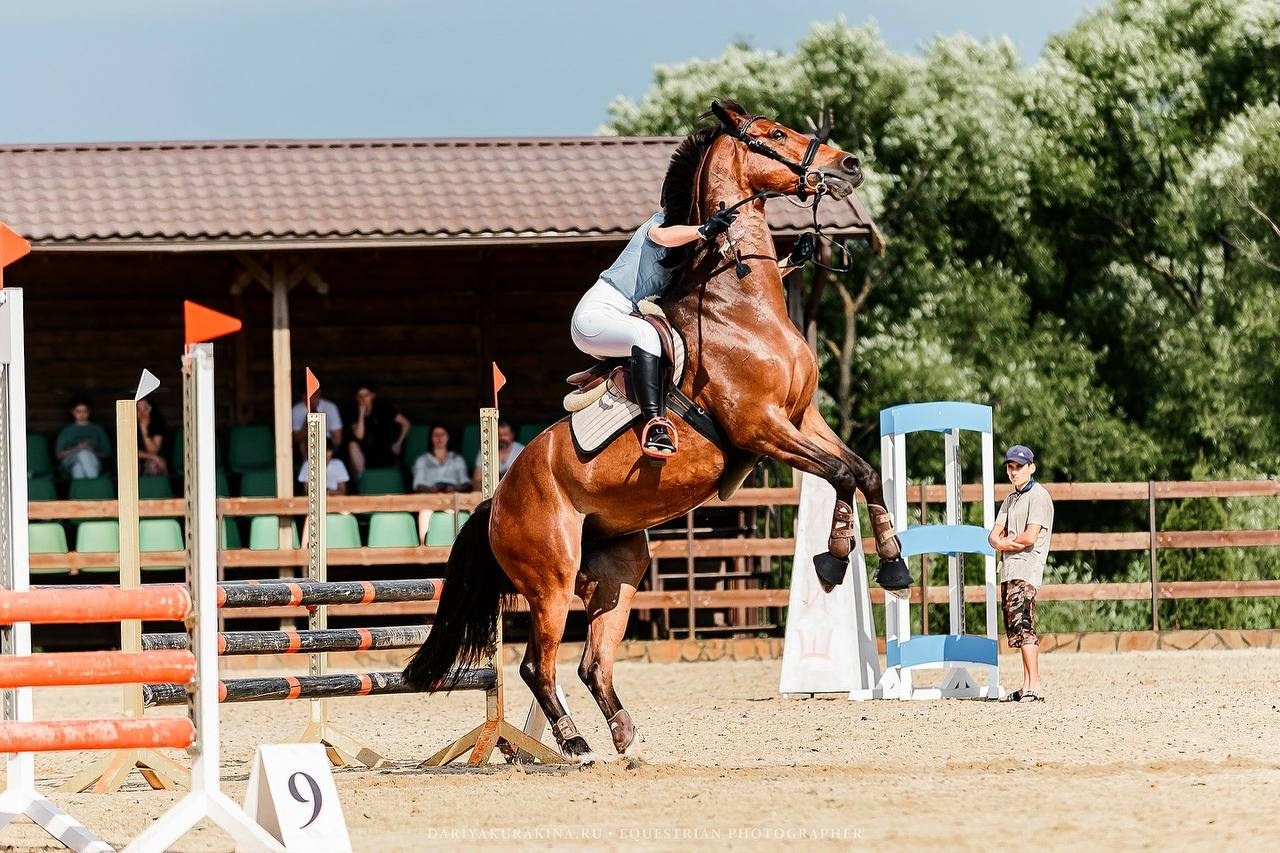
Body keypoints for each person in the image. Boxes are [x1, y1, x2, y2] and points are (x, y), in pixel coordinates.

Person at [569, 204, 739, 458]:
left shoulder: (689, 253)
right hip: (595, 314)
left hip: (623, 318)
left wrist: (790, 263)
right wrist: (703, 229)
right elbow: (664, 236)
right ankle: (655, 424)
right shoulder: (657, 224)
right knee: (645, 334)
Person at [987, 444, 1054, 703]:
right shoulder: (1010, 499)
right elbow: (993, 534)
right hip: (1009, 569)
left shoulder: (1038, 496)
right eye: (1010, 467)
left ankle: (1034, 685)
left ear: (1031, 468)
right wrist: (1003, 541)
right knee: (1015, 626)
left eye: (1019, 467)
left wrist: (1004, 542)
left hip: (1026, 569)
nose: (1014, 472)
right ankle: (1025, 684)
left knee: (1024, 623)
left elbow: (1029, 538)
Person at [345, 381, 411, 479]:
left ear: (373, 396)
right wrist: (361, 414)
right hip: (365, 454)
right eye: (360, 396)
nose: (363, 399)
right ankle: (364, 481)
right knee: (352, 446)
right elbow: (359, 435)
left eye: (366, 395)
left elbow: (406, 424)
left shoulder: (384, 408)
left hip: (385, 451)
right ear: (357, 398)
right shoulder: (353, 412)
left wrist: (398, 443)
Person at [55, 396, 112, 479]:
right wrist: (79, 448)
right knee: (83, 454)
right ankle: (94, 482)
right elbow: (59, 455)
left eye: (85, 411)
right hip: (69, 462)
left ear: (89, 411)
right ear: (73, 412)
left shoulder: (97, 430)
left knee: (78, 468)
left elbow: (106, 454)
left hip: (94, 462)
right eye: (78, 411)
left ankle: (82, 490)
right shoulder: (66, 431)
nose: (82, 415)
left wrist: (91, 450)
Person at [412, 425, 471, 493]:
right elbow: (418, 485)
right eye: (436, 435)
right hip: (429, 496)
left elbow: (465, 483)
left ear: (448, 437)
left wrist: (454, 488)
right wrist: (432, 490)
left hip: (453, 496)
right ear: (431, 438)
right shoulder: (422, 460)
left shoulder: (457, 459)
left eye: (442, 434)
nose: (439, 438)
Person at [470, 420, 523, 489]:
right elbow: (476, 481)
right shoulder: (486, 451)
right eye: (498, 434)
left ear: (512, 435)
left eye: (505, 435)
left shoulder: (521, 450)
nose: (501, 438)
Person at [291, 390, 343, 457]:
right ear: (303, 396)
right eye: (307, 394)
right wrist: (308, 423)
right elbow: (296, 439)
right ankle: (307, 464)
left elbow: (338, 440)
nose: (313, 397)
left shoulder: (330, 407)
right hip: (307, 445)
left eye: (315, 393)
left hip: (326, 442)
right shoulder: (296, 410)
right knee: (303, 442)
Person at [136, 398, 169, 476]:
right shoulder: (128, 424)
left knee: (153, 465)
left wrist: (143, 428)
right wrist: (154, 457)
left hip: (156, 457)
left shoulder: (157, 422)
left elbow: (153, 450)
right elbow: (129, 451)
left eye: (145, 408)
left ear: (150, 409)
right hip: (137, 459)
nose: (142, 413)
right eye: (138, 409)